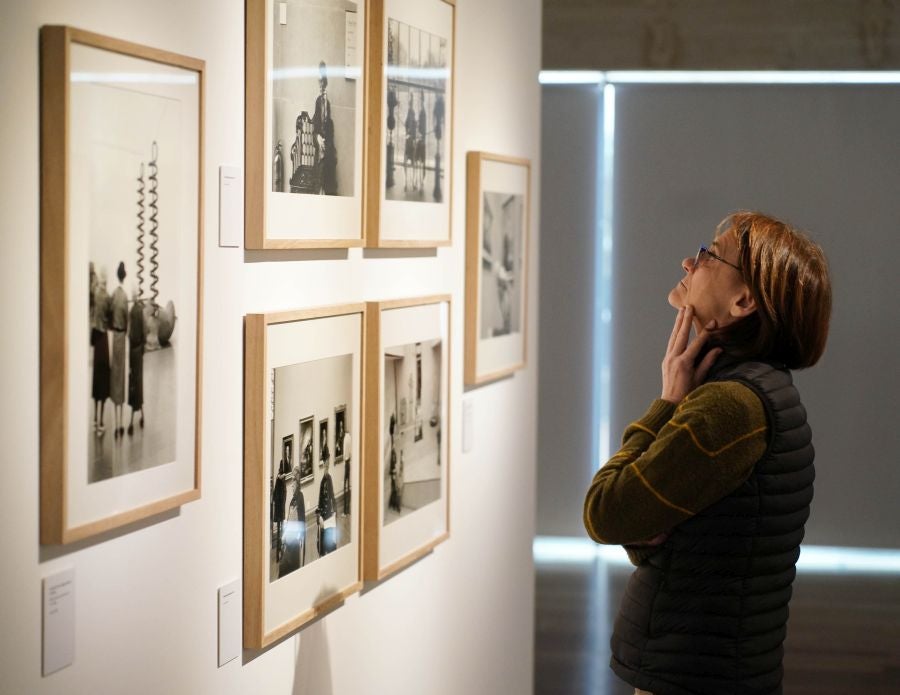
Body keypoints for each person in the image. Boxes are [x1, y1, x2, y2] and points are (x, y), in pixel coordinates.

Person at [583, 211, 832, 695]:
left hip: (690, 673)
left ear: (743, 301)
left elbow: (605, 513)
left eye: (709, 255)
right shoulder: (763, 388)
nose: (688, 262)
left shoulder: (729, 406)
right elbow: (676, 531)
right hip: (717, 665)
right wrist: (646, 527)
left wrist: (665, 405)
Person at [109, 262, 129, 438]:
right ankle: (121, 422)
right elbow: (127, 322)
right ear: (125, 276)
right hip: (122, 337)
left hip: (114, 336)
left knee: (114, 375)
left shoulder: (114, 295)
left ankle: (115, 423)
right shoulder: (125, 297)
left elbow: (109, 316)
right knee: (121, 376)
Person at [90, 266, 111, 435]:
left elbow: (92, 316)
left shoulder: (95, 295)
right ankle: (101, 423)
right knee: (103, 382)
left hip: (96, 340)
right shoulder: (107, 297)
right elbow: (109, 320)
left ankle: (95, 419)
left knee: (96, 380)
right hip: (104, 341)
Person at [312, 60, 337, 195]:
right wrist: (318, 138)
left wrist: (326, 143)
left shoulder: (327, 103)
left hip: (327, 147)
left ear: (325, 83)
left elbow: (328, 126)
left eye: (322, 82)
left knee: (328, 177)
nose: (320, 85)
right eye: (319, 82)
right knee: (319, 176)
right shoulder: (318, 101)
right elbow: (316, 124)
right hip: (319, 144)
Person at [127, 285, 145, 435]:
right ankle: (140, 411)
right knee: (137, 381)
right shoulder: (138, 311)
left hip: (135, 350)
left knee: (135, 381)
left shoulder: (134, 311)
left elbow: (131, 333)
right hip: (137, 351)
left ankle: (134, 415)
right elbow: (144, 331)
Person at [317, 459, 337, 556]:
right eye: (325, 466)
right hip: (323, 515)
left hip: (329, 514)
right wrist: (319, 516)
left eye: (328, 467)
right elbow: (320, 500)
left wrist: (335, 511)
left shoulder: (329, 479)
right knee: (322, 542)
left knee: (330, 541)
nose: (326, 468)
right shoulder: (322, 482)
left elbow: (332, 495)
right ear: (323, 466)